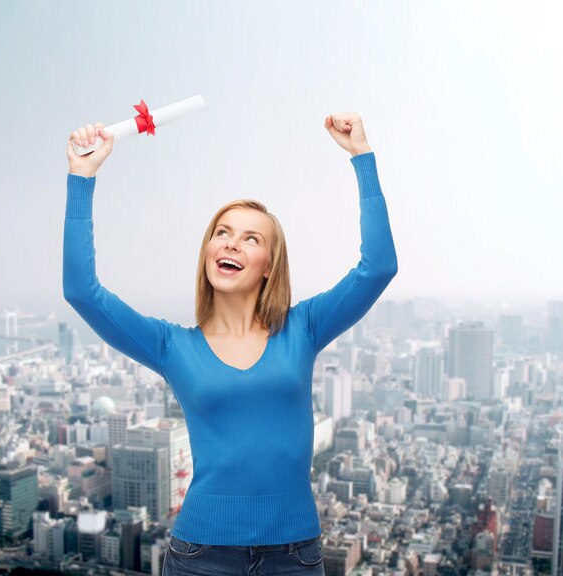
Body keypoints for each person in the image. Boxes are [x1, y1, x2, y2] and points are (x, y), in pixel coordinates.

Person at [64, 112, 397, 575]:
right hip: (201, 555)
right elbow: (83, 291)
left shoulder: (304, 329)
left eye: (250, 238)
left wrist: (362, 156)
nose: (231, 244)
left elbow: (378, 268)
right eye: (222, 233)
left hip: (295, 556)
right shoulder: (171, 346)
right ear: (207, 252)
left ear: (268, 266)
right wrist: (82, 178)